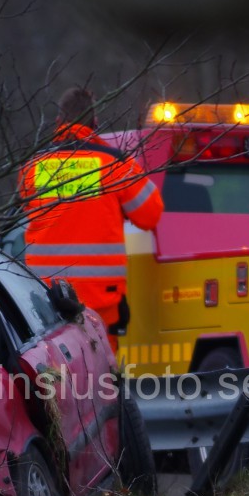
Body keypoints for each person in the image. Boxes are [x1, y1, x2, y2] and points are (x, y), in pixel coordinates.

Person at [18, 87, 163, 349]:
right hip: (99, 300)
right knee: (100, 374)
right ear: (95, 123)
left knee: (53, 373)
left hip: (45, 297)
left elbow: (28, 209)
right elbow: (151, 214)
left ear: (58, 123)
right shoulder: (114, 165)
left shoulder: (33, 166)